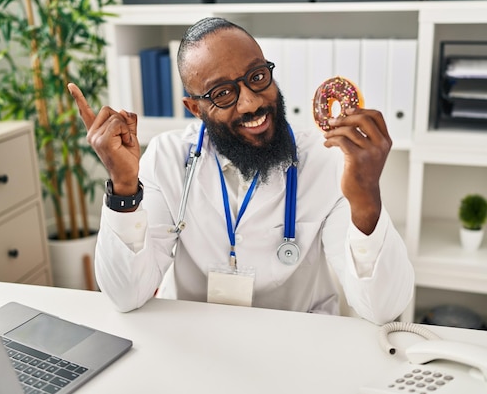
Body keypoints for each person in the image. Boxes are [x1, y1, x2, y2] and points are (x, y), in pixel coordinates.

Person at [69, 17, 414, 325]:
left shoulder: (328, 161)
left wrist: (367, 196)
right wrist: (125, 186)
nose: (250, 102)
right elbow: (125, 296)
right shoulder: (167, 157)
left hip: (301, 342)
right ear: (195, 108)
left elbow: (383, 308)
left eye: (257, 77)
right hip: (198, 343)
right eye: (222, 93)